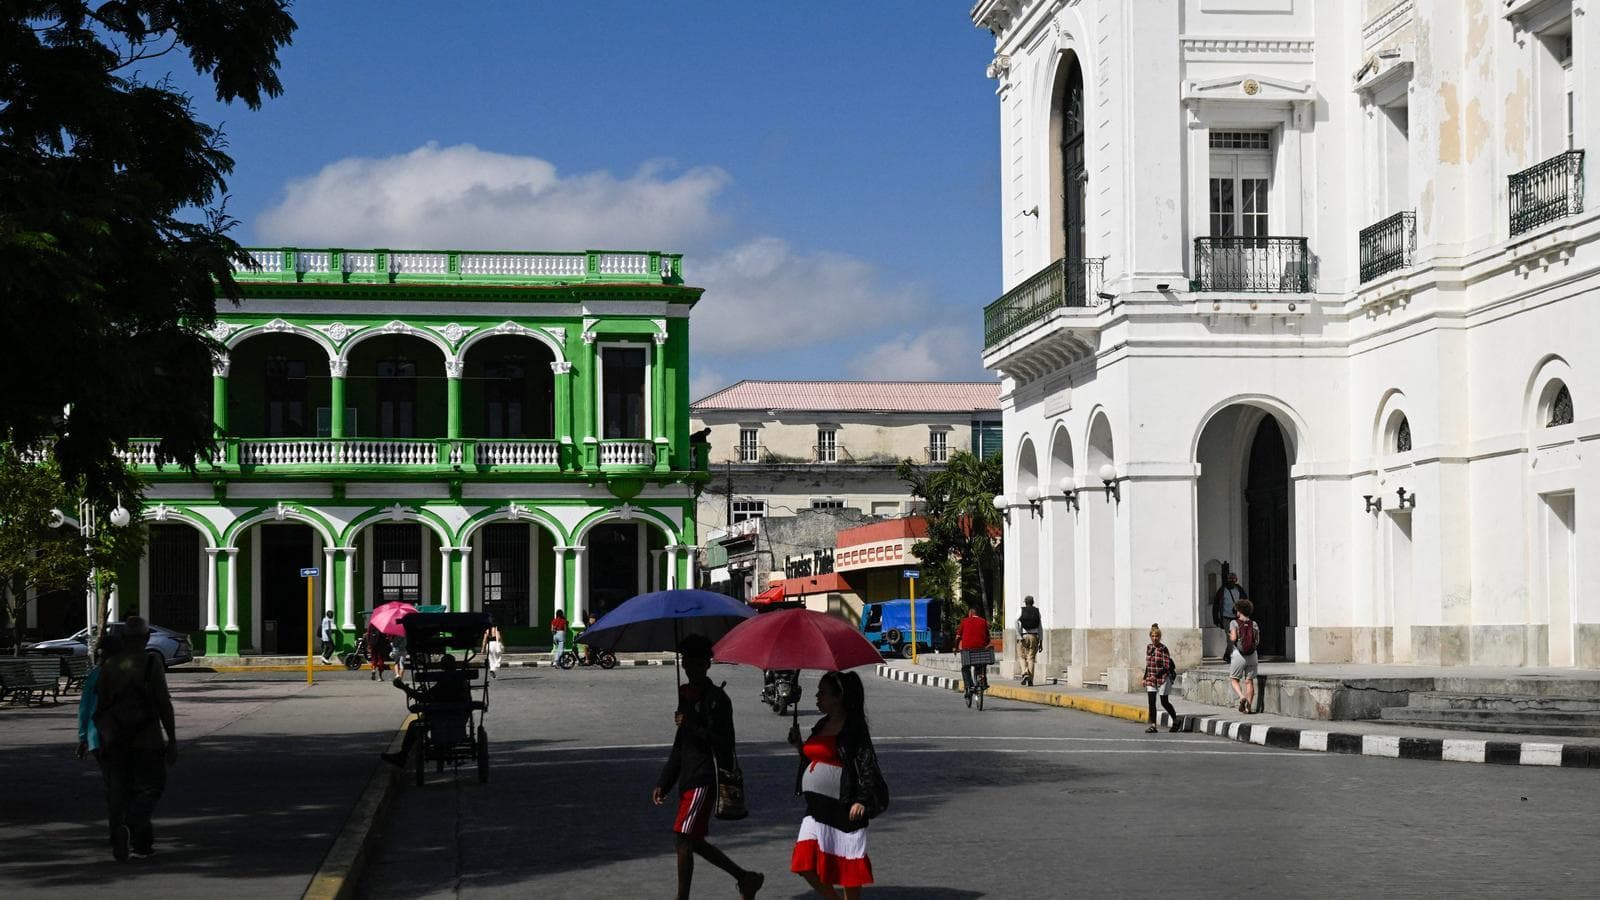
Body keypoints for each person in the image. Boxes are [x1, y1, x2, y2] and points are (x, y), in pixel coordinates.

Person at [651, 634, 764, 900]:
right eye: (686, 662)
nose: (690, 668)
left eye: (696, 662)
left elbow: (724, 743)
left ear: (707, 664)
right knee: (693, 841)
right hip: (688, 776)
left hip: (705, 777)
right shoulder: (686, 696)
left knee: (683, 838)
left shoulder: (718, 700)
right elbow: (680, 744)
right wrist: (664, 781)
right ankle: (746, 878)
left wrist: (690, 722)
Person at [788, 670, 887, 899]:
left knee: (848, 867)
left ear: (838, 697)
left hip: (844, 806)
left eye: (822, 692)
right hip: (816, 808)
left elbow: (866, 762)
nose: (817, 696)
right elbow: (812, 758)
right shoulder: (822, 724)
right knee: (804, 863)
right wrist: (798, 744)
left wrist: (862, 799)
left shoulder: (853, 727)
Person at [92, 617, 177, 862]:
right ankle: (131, 826)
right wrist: (172, 739)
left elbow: (101, 706)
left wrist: (100, 739)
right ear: (146, 638)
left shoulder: (109, 665)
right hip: (146, 738)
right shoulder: (151, 663)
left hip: (115, 740)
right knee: (152, 786)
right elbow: (163, 703)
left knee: (125, 790)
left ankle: (141, 843)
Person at [382, 654, 474, 765]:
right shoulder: (462, 682)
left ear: (442, 667)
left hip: (437, 719)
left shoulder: (441, 685)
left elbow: (422, 697)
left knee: (414, 725)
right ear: (454, 666)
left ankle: (403, 755)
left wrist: (404, 688)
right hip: (459, 717)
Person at [76, 630, 125, 760]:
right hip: (125, 735)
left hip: (97, 735)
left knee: (109, 776)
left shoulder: (95, 674)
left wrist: (83, 737)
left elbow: (84, 708)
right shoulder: (127, 674)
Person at [1143, 623, 1180, 733]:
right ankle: (1153, 725)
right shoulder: (1149, 648)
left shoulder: (1163, 649)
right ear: (1150, 636)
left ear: (1160, 637)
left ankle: (1176, 720)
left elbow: (1167, 666)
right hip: (1151, 678)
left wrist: (1156, 676)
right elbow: (1148, 664)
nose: (1155, 638)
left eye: (1157, 636)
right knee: (1151, 702)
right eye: (1153, 636)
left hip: (1162, 678)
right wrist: (1145, 677)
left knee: (1164, 702)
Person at [1229, 598, 1260, 714]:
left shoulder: (1234, 623)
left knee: (1234, 679)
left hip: (1239, 655)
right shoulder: (1254, 623)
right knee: (1249, 681)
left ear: (1239, 610)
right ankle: (1249, 707)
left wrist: (1230, 636)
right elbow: (1257, 641)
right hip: (1252, 655)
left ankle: (1242, 697)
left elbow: (1233, 638)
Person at [1212, 571, 1248, 662]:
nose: (1231, 581)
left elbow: (1245, 602)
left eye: (1233, 579)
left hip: (1237, 617)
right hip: (1226, 617)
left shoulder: (1239, 590)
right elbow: (1216, 604)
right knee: (1231, 637)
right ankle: (1228, 655)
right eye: (1230, 579)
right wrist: (1216, 618)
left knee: (1238, 637)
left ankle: (1230, 654)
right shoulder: (1222, 590)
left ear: (1236, 580)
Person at [956, 606, 990, 698]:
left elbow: (958, 637)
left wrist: (955, 648)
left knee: (965, 668)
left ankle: (969, 686)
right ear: (977, 614)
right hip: (981, 650)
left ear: (970, 614)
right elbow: (988, 637)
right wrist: (984, 644)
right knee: (981, 665)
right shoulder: (983, 621)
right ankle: (983, 681)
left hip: (967, 651)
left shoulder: (965, 621)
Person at [1015, 596, 1042, 686]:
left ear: (1025, 602)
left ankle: (1024, 672)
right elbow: (1040, 627)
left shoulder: (1021, 610)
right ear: (1033, 602)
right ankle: (1030, 680)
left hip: (1023, 636)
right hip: (1034, 636)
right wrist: (1041, 641)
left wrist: (1018, 635)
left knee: (1021, 656)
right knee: (1031, 658)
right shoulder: (1037, 611)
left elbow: (1016, 621)